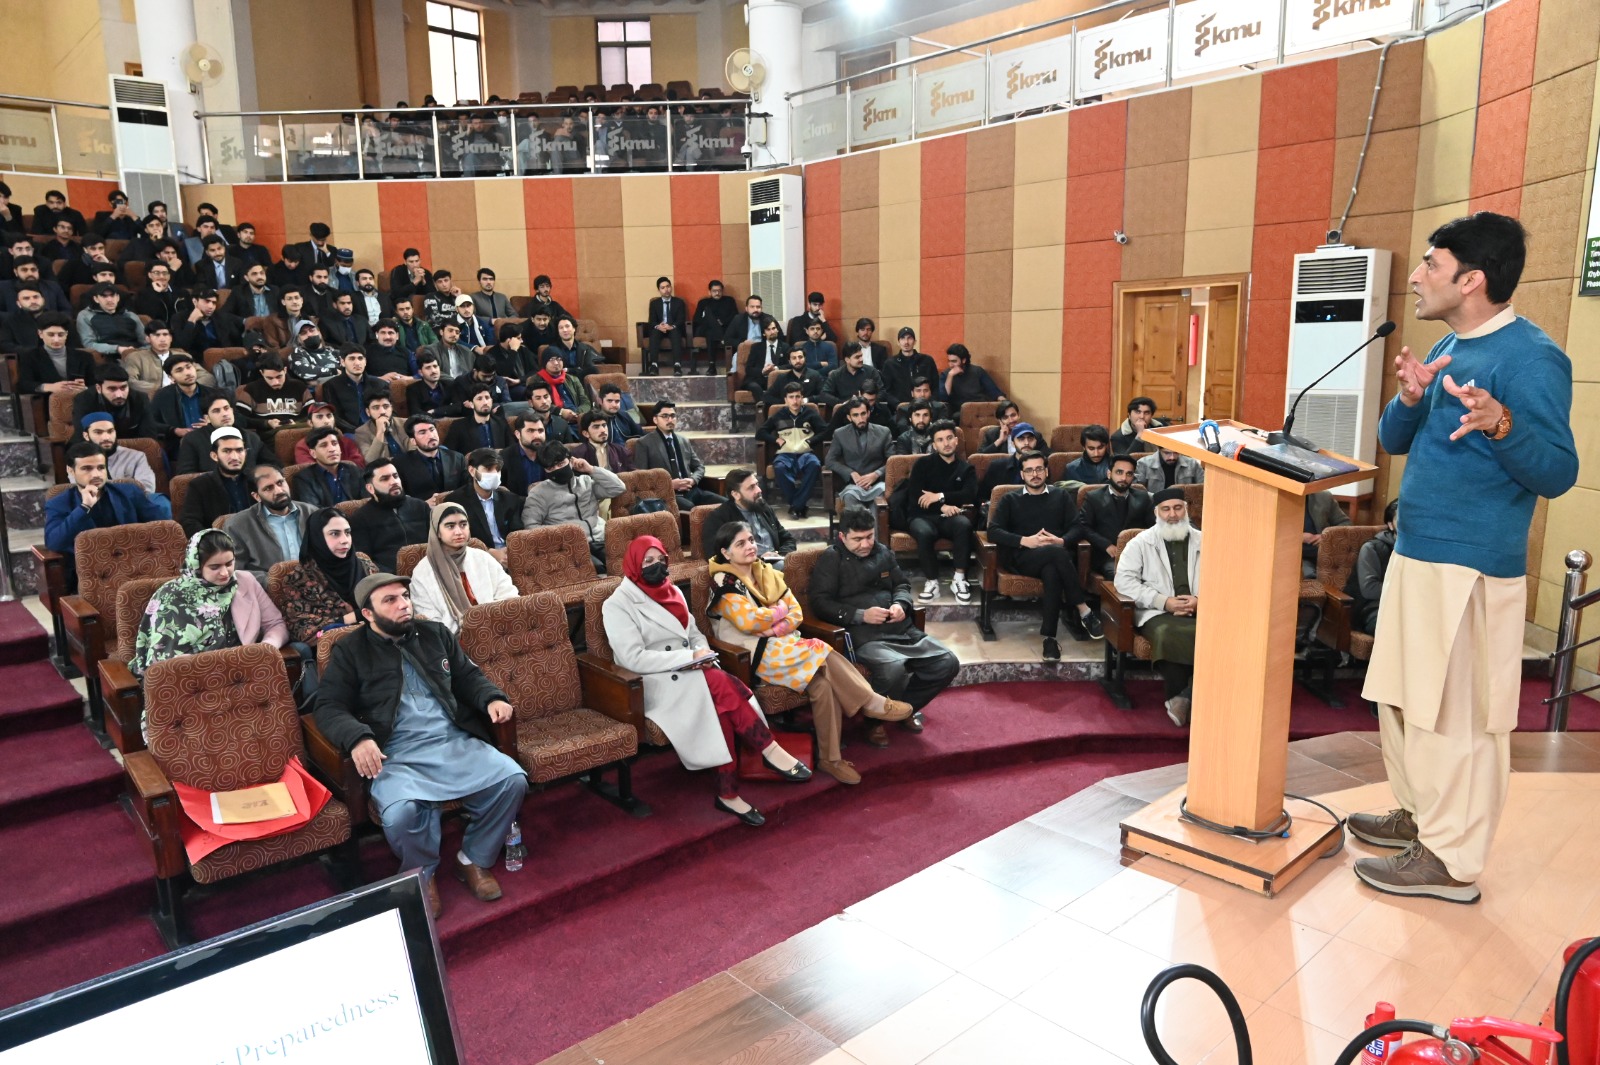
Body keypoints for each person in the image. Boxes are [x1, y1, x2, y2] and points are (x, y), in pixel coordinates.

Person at [1350, 213, 1578, 904]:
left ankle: (1451, 860)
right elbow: (1395, 440)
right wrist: (1409, 398)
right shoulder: (1452, 342)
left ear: (1472, 279)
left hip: (1471, 564)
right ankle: (1421, 814)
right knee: (1405, 698)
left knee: (1456, 716)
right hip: (1418, 550)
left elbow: (1558, 471)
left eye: (1431, 263)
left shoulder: (1532, 358)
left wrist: (1502, 424)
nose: (1418, 276)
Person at [316, 572, 527, 918]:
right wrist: (357, 737)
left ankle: (473, 858)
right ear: (367, 613)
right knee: (400, 814)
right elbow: (328, 706)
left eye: (405, 596)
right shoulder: (351, 651)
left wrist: (492, 697)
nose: (404, 605)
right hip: (395, 752)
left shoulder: (434, 634)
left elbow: (467, 676)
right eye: (390, 600)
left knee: (512, 780)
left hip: (451, 739)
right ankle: (422, 873)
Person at [604, 535, 810, 825]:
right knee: (720, 684)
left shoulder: (673, 590)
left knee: (720, 704)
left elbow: (694, 633)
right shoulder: (617, 604)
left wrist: (701, 652)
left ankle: (728, 793)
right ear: (633, 564)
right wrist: (689, 658)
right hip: (652, 683)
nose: (656, 566)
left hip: (692, 671)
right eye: (648, 561)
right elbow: (632, 659)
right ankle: (768, 749)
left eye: (661, 560)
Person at [706, 522, 912, 785]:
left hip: (782, 645)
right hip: (751, 656)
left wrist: (774, 626)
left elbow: (796, 613)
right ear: (726, 553)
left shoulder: (765, 571)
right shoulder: (724, 582)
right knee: (819, 648)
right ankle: (871, 702)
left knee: (822, 685)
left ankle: (830, 759)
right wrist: (780, 612)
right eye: (740, 544)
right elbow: (750, 622)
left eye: (751, 540)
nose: (750, 546)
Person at [810, 506, 957, 739]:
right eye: (857, 539)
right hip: (865, 636)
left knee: (947, 662)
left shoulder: (883, 552)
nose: (865, 544)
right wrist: (860, 615)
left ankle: (904, 708)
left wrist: (901, 604)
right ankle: (874, 721)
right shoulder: (832, 558)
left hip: (902, 630)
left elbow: (902, 585)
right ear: (842, 536)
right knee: (893, 669)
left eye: (869, 536)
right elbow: (820, 603)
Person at [128, 530, 288, 739]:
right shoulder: (171, 596)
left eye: (229, 563)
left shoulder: (245, 581)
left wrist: (264, 649)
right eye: (215, 567)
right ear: (196, 565)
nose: (225, 573)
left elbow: (275, 624)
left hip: (242, 673)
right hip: (192, 681)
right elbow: (163, 659)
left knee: (269, 731)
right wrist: (209, 669)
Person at [988, 450, 1104, 659]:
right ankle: (1083, 609)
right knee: (1057, 555)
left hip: (1056, 557)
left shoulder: (1061, 496)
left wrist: (1062, 541)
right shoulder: (1009, 499)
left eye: (1039, 469)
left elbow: (1077, 527)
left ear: (1047, 471)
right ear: (1022, 474)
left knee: (1052, 570)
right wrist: (1025, 541)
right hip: (1023, 557)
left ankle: (1049, 638)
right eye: (1029, 470)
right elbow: (993, 531)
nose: (1035, 474)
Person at [1115, 488, 1201, 728]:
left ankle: (1184, 697)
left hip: (1201, 610)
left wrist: (1200, 600)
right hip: (1158, 612)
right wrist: (1164, 601)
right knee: (1168, 632)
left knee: (1222, 634)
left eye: (1178, 508)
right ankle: (1185, 695)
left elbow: (1226, 578)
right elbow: (1124, 581)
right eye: (1166, 509)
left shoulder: (1206, 540)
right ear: (1156, 513)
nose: (1172, 514)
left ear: (1186, 509)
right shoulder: (1140, 543)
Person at [277, 508, 377, 699]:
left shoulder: (366, 566)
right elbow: (307, 633)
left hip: (381, 647)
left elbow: (389, 607)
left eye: (348, 532)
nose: (345, 540)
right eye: (334, 534)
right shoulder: (298, 580)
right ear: (317, 537)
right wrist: (356, 616)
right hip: (337, 659)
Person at [44, 443, 171, 590]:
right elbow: (54, 542)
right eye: (87, 469)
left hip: (137, 565)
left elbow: (162, 527)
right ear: (71, 470)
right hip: (92, 574)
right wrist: (84, 508)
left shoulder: (129, 492)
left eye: (101, 468)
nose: (96, 474)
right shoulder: (59, 503)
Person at [409, 502, 517, 632]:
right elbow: (428, 617)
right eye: (450, 526)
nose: (459, 532)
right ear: (437, 531)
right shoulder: (423, 571)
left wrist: (486, 622)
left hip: (495, 629)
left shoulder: (483, 558)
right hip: (451, 637)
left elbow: (508, 595)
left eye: (463, 525)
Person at [904, 420, 978, 603]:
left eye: (949, 438)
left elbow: (969, 494)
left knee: (964, 524)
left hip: (949, 517)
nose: (946, 443)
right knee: (925, 532)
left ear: (956, 440)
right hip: (921, 515)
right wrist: (943, 505)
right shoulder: (922, 464)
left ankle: (959, 579)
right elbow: (916, 496)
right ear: (934, 444)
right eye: (940, 440)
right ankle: (932, 582)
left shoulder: (966, 468)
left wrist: (939, 496)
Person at [521, 442, 624, 574]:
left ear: (570, 461)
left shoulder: (586, 482)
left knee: (625, 563)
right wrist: (565, 534)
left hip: (600, 538)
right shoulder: (538, 493)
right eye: (551, 468)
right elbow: (530, 527)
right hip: (571, 546)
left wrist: (591, 469)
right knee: (598, 570)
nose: (557, 469)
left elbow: (618, 487)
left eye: (560, 464)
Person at [223, 465, 317, 581]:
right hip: (267, 588)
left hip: (315, 582)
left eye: (280, 483)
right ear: (257, 496)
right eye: (268, 488)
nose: (279, 491)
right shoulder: (237, 526)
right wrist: (273, 581)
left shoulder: (312, 513)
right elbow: (236, 570)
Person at [1077, 455, 1156, 579]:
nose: (1124, 478)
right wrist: (1106, 545)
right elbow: (1083, 527)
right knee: (1122, 575)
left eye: (1129, 474)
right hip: (1107, 555)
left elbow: (1153, 527)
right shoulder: (1094, 497)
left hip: (1138, 553)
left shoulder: (1143, 498)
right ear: (1109, 474)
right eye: (1119, 472)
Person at [635, 401, 724, 510]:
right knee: (690, 507)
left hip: (692, 490)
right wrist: (669, 484)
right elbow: (641, 478)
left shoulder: (683, 440)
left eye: (673, 416)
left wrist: (692, 480)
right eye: (665, 416)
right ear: (655, 420)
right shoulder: (644, 443)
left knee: (726, 503)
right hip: (668, 494)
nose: (670, 420)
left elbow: (699, 467)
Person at [756, 385, 826, 519]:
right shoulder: (779, 415)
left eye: (798, 397)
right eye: (791, 397)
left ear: (802, 398)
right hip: (785, 453)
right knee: (779, 467)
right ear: (786, 400)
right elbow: (760, 432)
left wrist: (811, 441)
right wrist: (776, 439)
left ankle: (796, 506)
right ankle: (799, 505)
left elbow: (825, 431)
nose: (795, 401)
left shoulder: (810, 414)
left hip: (805, 453)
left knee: (815, 465)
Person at [350, 458, 432, 571]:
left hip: (431, 569)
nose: (394, 482)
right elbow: (365, 561)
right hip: (392, 577)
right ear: (370, 488)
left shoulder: (420, 506)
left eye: (395, 476)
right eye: (385, 479)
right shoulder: (360, 518)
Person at [701, 469, 794, 568]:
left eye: (757, 484)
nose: (759, 490)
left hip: (776, 562)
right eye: (751, 487)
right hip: (748, 569)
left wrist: (779, 555)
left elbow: (788, 539)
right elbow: (715, 556)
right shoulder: (719, 518)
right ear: (736, 494)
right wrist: (757, 561)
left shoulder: (763, 508)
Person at [443, 449, 523, 559]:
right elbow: (457, 538)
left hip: (510, 555)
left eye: (497, 470)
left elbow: (517, 533)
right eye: (488, 469)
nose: (494, 474)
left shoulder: (510, 499)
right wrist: (490, 553)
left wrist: (510, 552)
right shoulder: (455, 501)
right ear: (472, 471)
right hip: (476, 557)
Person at [178, 427, 257, 536]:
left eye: (239, 450)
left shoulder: (257, 480)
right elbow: (189, 522)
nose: (234, 457)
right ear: (214, 456)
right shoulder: (200, 485)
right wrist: (214, 540)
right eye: (227, 451)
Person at [149, 353, 223, 454]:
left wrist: (212, 424)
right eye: (179, 370)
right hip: (179, 446)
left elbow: (233, 418)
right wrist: (174, 430)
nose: (187, 373)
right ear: (171, 377)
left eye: (189, 367)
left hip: (211, 441)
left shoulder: (213, 394)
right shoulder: (162, 396)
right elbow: (151, 423)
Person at [175, 394, 267, 475]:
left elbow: (271, 465)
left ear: (232, 411)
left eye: (226, 408)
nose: (224, 414)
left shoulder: (251, 437)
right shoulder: (192, 439)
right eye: (216, 411)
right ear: (207, 418)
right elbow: (184, 475)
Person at [827, 398, 893, 508]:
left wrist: (876, 474)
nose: (860, 419)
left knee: (879, 502)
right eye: (855, 415)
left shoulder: (884, 432)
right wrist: (851, 473)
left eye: (863, 414)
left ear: (868, 413)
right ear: (849, 417)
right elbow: (830, 461)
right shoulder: (840, 434)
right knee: (851, 500)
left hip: (877, 483)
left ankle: (875, 520)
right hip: (853, 485)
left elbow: (893, 461)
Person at [1348, 498, 1399, 637]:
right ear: (1391, 525)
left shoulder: (1419, 551)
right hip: (1374, 608)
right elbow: (1370, 589)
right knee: (1398, 629)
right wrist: (1406, 592)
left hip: (1408, 606)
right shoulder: (1372, 548)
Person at [15, 312, 92, 396]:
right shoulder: (30, 357)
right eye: (51, 335)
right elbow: (24, 385)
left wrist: (85, 388)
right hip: (47, 400)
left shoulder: (84, 357)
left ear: (66, 334)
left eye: (61, 335)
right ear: (40, 334)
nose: (56, 340)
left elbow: (95, 384)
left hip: (81, 399)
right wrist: (49, 387)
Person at [71, 363, 152, 441]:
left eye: (123, 388)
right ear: (98, 388)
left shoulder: (140, 399)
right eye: (112, 389)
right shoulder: (84, 400)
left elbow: (149, 437)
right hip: (94, 447)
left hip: (131, 447)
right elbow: (81, 435)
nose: (119, 395)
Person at [79, 412, 156, 491]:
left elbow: (147, 487)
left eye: (110, 431)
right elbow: (78, 489)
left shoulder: (136, 456)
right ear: (86, 436)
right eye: (98, 432)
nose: (106, 437)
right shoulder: (78, 459)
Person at [397, 415, 466, 502]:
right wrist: (424, 504)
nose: (431, 435)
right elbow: (402, 498)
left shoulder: (457, 458)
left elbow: (467, 487)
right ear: (413, 441)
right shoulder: (401, 464)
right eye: (422, 432)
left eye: (432, 429)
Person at [293, 427, 365, 506]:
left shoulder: (355, 471)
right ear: (313, 453)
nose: (332, 449)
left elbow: (367, 502)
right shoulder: (304, 479)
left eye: (334, 443)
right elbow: (314, 511)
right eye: (324, 445)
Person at [75, 283, 146, 360]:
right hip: (109, 356)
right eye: (104, 296)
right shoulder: (85, 315)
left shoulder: (130, 315)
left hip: (137, 354)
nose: (109, 300)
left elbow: (146, 341)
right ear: (96, 299)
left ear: (118, 298)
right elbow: (89, 344)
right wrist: (117, 348)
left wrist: (137, 351)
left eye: (112, 296)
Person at [444, 381, 512, 453]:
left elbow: (512, 448)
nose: (485, 402)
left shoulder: (501, 423)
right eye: (479, 399)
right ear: (471, 404)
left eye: (487, 398)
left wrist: (502, 452)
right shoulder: (459, 426)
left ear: (491, 401)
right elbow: (448, 453)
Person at [643, 275, 690, 375]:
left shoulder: (679, 302)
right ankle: (654, 366)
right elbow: (652, 320)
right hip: (660, 328)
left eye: (668, 286)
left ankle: (677, 366)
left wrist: (671, 326)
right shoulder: (654, 303)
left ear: (671, 287)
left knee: (675, 333)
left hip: (673, 328)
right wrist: (659, 326)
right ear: (659, 290)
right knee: (654, 333)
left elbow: (681, 319)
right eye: (663, 288)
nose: (666, 290)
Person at [938, 344, 1004, 413]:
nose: (950, 365)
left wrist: (1004, 402)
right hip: (960, 411)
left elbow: (994, 391)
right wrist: (950, 376)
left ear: (963, 360)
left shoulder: (977, 371)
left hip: (980, 408)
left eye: (954, 361)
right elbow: (943, 398)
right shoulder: (946, 374)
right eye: (949, 361)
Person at [353, 392, 410, 465]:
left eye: (386, 406)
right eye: (376, 408)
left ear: (391, 408)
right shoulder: (361, 432)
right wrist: (380, 432)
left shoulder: (405, 423)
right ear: (368, 412)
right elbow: (370, 462)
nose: (382, 412)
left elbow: (416, 452)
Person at [498, 415, 547, 496]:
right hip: (517, 502)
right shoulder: (504, 457)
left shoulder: (552, 453)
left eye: (540, 430)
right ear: (518, 434)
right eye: (530, 431)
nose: (537, 435)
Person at [692, 280, 738, 355]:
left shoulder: (729, 301)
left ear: (722, 291)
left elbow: (735, 316)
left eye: (719, 291)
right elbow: (696, 319)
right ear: (709, 292)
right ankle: (721, 337)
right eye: (714, 291)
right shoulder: (703, 302)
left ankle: (711, 362)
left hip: (724, 328)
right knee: (708, 311)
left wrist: (722, 322)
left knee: (710, 333)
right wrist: (711, 322)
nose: (717, 293)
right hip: (706, 328)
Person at [1135, 447, 1204, 492]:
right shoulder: (1143, 464)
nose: (1172, 457)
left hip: (1184, 504)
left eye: (1176, 452)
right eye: (1167, 453)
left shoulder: (1192, 464)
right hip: (1153, 504)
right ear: (1159, 449)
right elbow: (1137, 491)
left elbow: (1204, 488)